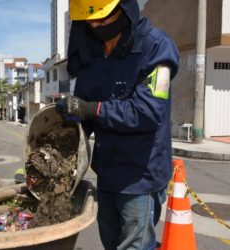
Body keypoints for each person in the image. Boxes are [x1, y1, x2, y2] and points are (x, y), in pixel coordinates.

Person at [55, 0, 180, 249]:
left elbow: (147, 112)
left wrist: (93, 109)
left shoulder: (155, 47)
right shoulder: (92, 53)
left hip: (140, 177)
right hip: (108, 172)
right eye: (90, 21)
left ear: (125, 10)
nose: (95, 25)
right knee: (112, 243)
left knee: (134, 245)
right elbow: (84, 109)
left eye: (102, 19)